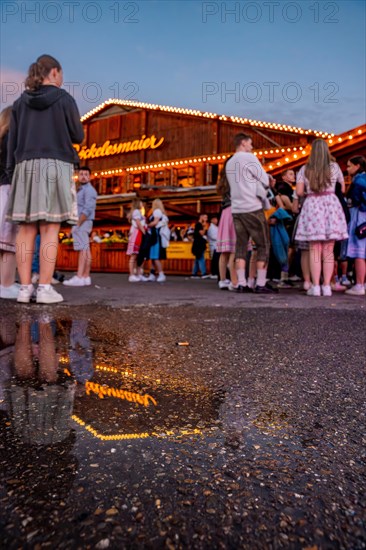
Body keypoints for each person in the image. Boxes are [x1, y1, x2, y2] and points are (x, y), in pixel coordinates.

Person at [6, 54, 84, 304]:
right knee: (50, 229)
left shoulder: (19, 103)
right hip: (56, 164)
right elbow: (78, 135)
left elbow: (12, 142)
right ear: (54, 72)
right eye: (61, 74)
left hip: (24, 166)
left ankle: (24, 288)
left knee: (25, 229)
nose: (62, 79)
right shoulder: (65, 99)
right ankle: (45, 288)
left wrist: (11, 172)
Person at [295, 139, 348, 297]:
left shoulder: (305, 169)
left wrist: (309, 192)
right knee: (329, 250)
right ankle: (327, 286)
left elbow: (298, 192)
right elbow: (343, 188)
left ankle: (316, 286)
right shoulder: (335, 167)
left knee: (314, 249)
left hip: (312, 205)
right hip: (330, 205)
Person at [225, 133, 277, 293]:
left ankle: (241, 283)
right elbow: (264, 179)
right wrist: (269, 181)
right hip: (252, 206)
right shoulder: (249, 158)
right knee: (263, 245)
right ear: (243, 143)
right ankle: (260, 283)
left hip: (237, 208)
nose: (252, 147)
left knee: (241, 245)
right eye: (250, 143)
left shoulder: (230, 162)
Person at [63, 167, 98, 287]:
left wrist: (78, 223)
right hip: (83, 221)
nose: (83, 176)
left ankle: (79, 276)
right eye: (81, 174)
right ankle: (85, 276)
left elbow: (88, 209)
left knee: (83, 249)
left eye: (86, 174)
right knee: (86, 249)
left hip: (83, 221)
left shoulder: (89, 190)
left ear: (90, 176)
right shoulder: (81, 189)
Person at [0, 106, 18, 299]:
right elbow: (12, 166)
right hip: (8, 189)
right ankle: (6, 283)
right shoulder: (11, 138)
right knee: (9, 241)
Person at [345, 155, 366, 296]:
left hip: (360, 215)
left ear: (357, 165)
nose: (347, 169)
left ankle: (359, 284)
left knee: (359, 252)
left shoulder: (358, 180)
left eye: (349, 166)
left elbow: (355, 199)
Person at [216, 161, 238, 290]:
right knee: (234, 249)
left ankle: (223, 280)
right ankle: (234, 280)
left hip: (225, 213)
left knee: (225, 251)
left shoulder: (223, 180)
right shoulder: (235, 178)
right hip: (235, 210)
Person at [147, 199, 168, 282]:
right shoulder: (162, 213)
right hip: (156, 235)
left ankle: (161, 273)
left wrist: (147, 226)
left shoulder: (156, 211)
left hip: (155, 236)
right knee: (153, 257)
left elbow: (155, 222)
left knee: (155, 257)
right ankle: (152, 274)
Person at [126, 198, 146, 282]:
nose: (142, 204)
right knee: (134, 256)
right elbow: (138, 223)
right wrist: (144, 232)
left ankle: (137, 274)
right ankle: (132, 275)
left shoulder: (137, 212)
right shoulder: (137, 212)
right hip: (137, 234)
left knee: (137, 256)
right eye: (141, 202)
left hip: (137, 234)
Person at [191, 214, 209, 279]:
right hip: (199, 244)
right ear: (201, 217)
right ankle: (203, 273)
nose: (206, 219)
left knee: (197, 259)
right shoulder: (199, 225)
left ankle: (194, 273)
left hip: (198, 243)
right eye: (205, 217)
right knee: (201, 258)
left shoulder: (198, 225)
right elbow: (202, 233)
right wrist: (204, 226)